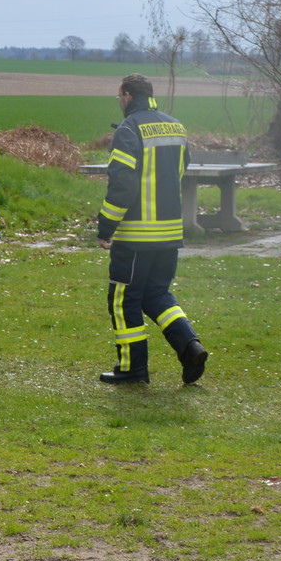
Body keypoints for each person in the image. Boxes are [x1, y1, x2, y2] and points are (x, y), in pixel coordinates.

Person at [96, 74, 208, 385]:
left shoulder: (129, 129)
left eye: (119, 97)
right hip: (170, 233)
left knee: (124, 299)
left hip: (136, 236)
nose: (119, 102)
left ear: (128, 96)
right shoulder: (175, 125)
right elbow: (180, 171)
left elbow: (122, 184)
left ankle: (133, 369)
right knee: (157, 293)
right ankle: (190, 347)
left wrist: (106, 227)